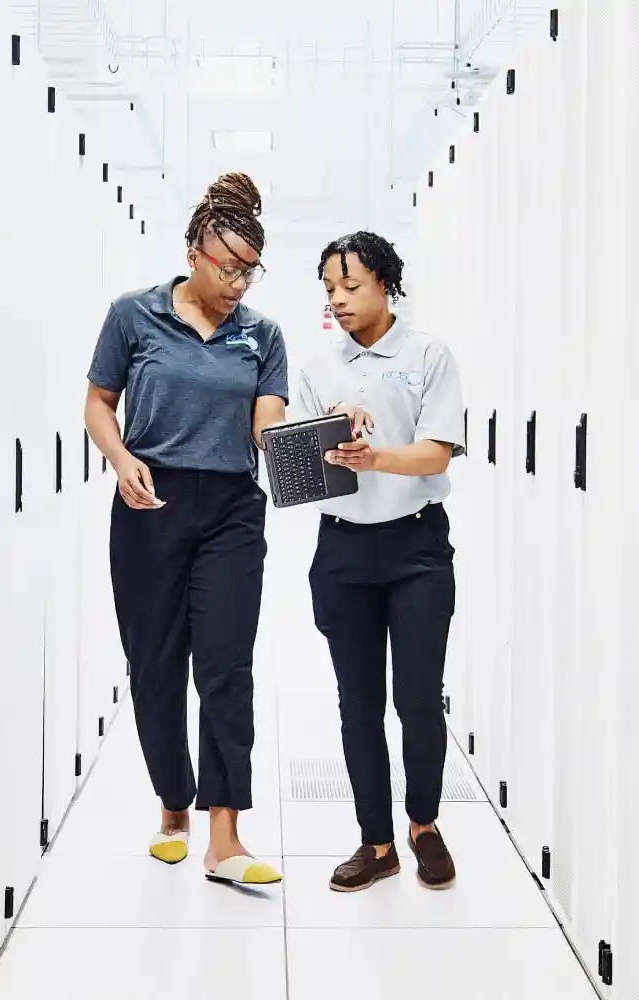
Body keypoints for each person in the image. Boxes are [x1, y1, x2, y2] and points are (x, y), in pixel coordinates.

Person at [84, 174, 287, 887]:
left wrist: (319, 443)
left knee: (227, 667)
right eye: (227, 267)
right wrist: (120, 458)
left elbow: (267, 428)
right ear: (193, 252)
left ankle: (224, 835)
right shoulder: (133, 316)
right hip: (150, 506)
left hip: (232, 506)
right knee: (157, 668)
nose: (238, 283)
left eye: (249, 271)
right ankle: (174, 802)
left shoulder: (262, 336)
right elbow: (99, 404)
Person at [292, 231, 465, 892]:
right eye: (330, 289)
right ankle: (378, 842)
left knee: (418, 700)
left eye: (352, 287)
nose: (338, 300)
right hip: (342, 549)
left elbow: (437, 454)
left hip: (416, 547)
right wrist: (326, 437)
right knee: (357, 705)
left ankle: (424, 824)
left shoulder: (427, 356)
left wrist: (378, 457)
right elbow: (296, 472)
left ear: (386, 285)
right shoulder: (318, 369)